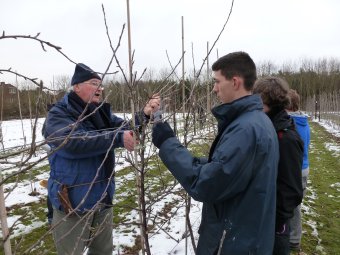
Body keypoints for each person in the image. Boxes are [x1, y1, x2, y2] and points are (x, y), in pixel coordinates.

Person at [152, 52, 279, 254]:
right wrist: (199, 161)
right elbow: (230, 168)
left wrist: (167, 143)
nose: (214, 88)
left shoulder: (245, 130)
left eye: (217, 81)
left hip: (232, 242)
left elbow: (207, 184)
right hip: (247, 235)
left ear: (235, 82)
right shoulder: (256, 122)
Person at [43, 63, 160, 255]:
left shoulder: (99, 113)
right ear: (76, 86)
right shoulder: (58, 115)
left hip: (102, 198)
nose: (100, 88)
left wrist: (145, 114)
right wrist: (118, 138)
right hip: (73, 201)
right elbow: (72, 142)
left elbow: (125, 127)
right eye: (94, 83)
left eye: (101, 84)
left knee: (103, 251)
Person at [253, 77, 304, 255]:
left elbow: (292, 191)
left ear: (269, 102)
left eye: (257, 101)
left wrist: (275, 221)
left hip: (274, 228)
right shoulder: (268, 127)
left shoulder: (286, 138)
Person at [286, 89, 311, 251]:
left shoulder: (291, 123)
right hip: (303, 168)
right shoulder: (303, 121)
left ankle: (294, 239)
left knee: (292, 206)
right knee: (296, 204)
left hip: (294, 169)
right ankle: (294, 236)